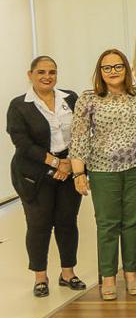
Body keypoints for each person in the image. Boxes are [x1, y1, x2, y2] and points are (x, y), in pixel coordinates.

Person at [70, 49, 136, 301]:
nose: (113, 71)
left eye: (118, 66)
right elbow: (79, 137)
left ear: (126, 69)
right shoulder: (89, 98)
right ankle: (108, 276)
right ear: (100, 72)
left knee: (133, 221)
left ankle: (131, 272)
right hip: (102, 170)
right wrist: (78, 172)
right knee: (107, 224)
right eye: (107, 68)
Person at [7, 56, 84, 297]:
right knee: (39, 225)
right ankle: (40, 277)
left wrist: (70, 164)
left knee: (67, 222)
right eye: (41, 72)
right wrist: (56, 163)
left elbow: (81, 133)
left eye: (52, 72)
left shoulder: (70, 98)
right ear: (30, 75)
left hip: (68, 168)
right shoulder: (19, 105)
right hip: (34, 173)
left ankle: (68, 273)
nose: (47, 77)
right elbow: (22, 143)